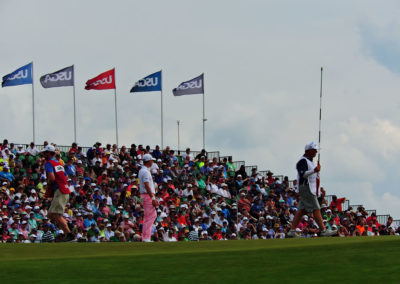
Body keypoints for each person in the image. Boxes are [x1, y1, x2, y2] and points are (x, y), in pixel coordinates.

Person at [287, 142, 337, 237]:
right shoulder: (303, 161)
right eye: (314, 150)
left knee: (301, 210)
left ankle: (292, 231)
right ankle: (323, 230)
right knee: (316, 208)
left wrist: (319, 187)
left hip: (309, 188)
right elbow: (303, 174)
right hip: (306, 187)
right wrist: (314, 170)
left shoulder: (311, 162)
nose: (316, 152)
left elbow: (314, 177)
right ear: (308, 151)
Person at [42, 145, 74, 241]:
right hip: (64, 190)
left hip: (60, 190)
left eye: (45, 152)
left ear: (48, 153)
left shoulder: (48, 163)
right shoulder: (59, 164)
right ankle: (66, 228)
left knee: (56, 215)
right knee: (50, 215)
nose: (44, 154)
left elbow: (52, 178)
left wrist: (48, 187)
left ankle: (69, 234)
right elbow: (64, 176)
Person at [139, 154, 158, 242]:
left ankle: (145, 237)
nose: (152, 162)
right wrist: (153, 198)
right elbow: (147, 185)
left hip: (144, 195)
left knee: (148, 216)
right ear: (148, 161)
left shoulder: (142, 170)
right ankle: (146, 237)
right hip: (147, 196)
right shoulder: (145, 172)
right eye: (151, 160)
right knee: (150, 216)